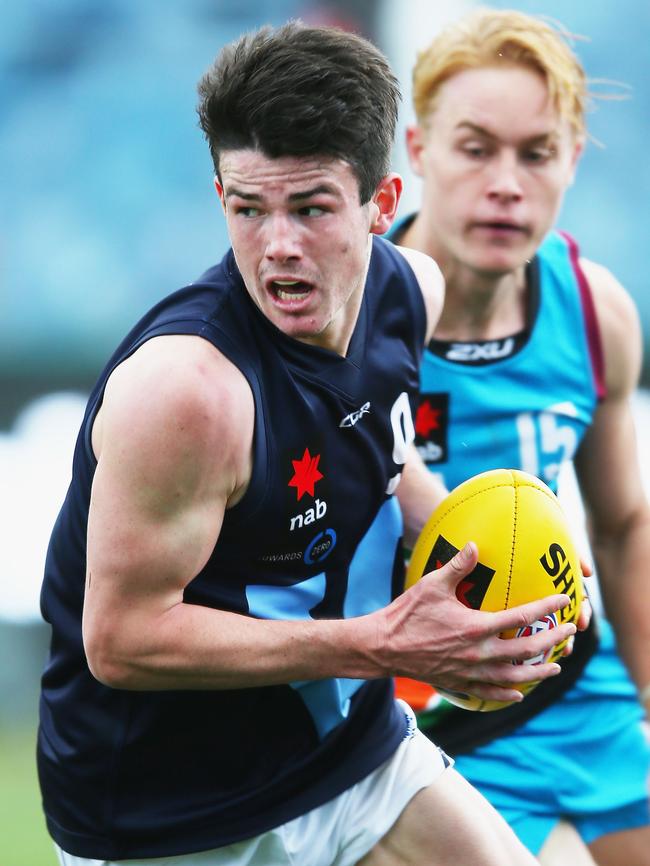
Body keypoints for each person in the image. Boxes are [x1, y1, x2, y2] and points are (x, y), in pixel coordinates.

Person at [36, 21, 579, 866]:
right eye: (249, 208)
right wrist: (386, 643)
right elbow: (122, 638)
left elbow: (388, 458)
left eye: (313, 207)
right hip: (170, 816)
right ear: (221, 198)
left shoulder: (411, 295)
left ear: (382, 204)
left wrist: (493, 585)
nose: (278, 245)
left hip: (352, 753)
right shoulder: (188, 394)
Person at [389, 8, 650, 866]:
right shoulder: (348, 322)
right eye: (475, 148)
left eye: (536, 152)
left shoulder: (595, 310)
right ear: (420, 151)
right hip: (424, 714)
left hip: (579, 685)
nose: (506, 182)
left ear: (570, 160)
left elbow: (620, 526)